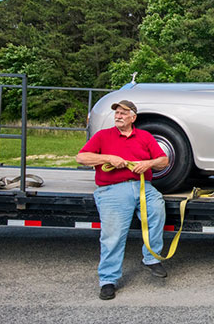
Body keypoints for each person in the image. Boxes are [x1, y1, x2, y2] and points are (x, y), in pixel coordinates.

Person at [76, 100, 169, 300]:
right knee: (114, 235)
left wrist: (148, 164)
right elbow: (81, 158)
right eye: (117, 113)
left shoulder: (144, 136)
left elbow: (164, 161)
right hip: (112, 190)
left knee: (157, 209)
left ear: (133, 118)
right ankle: (108, 280)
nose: (118, 116)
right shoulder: (103, 136)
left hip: (143, 186)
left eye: (123, 113)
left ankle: (151, 258)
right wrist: (108, 158)